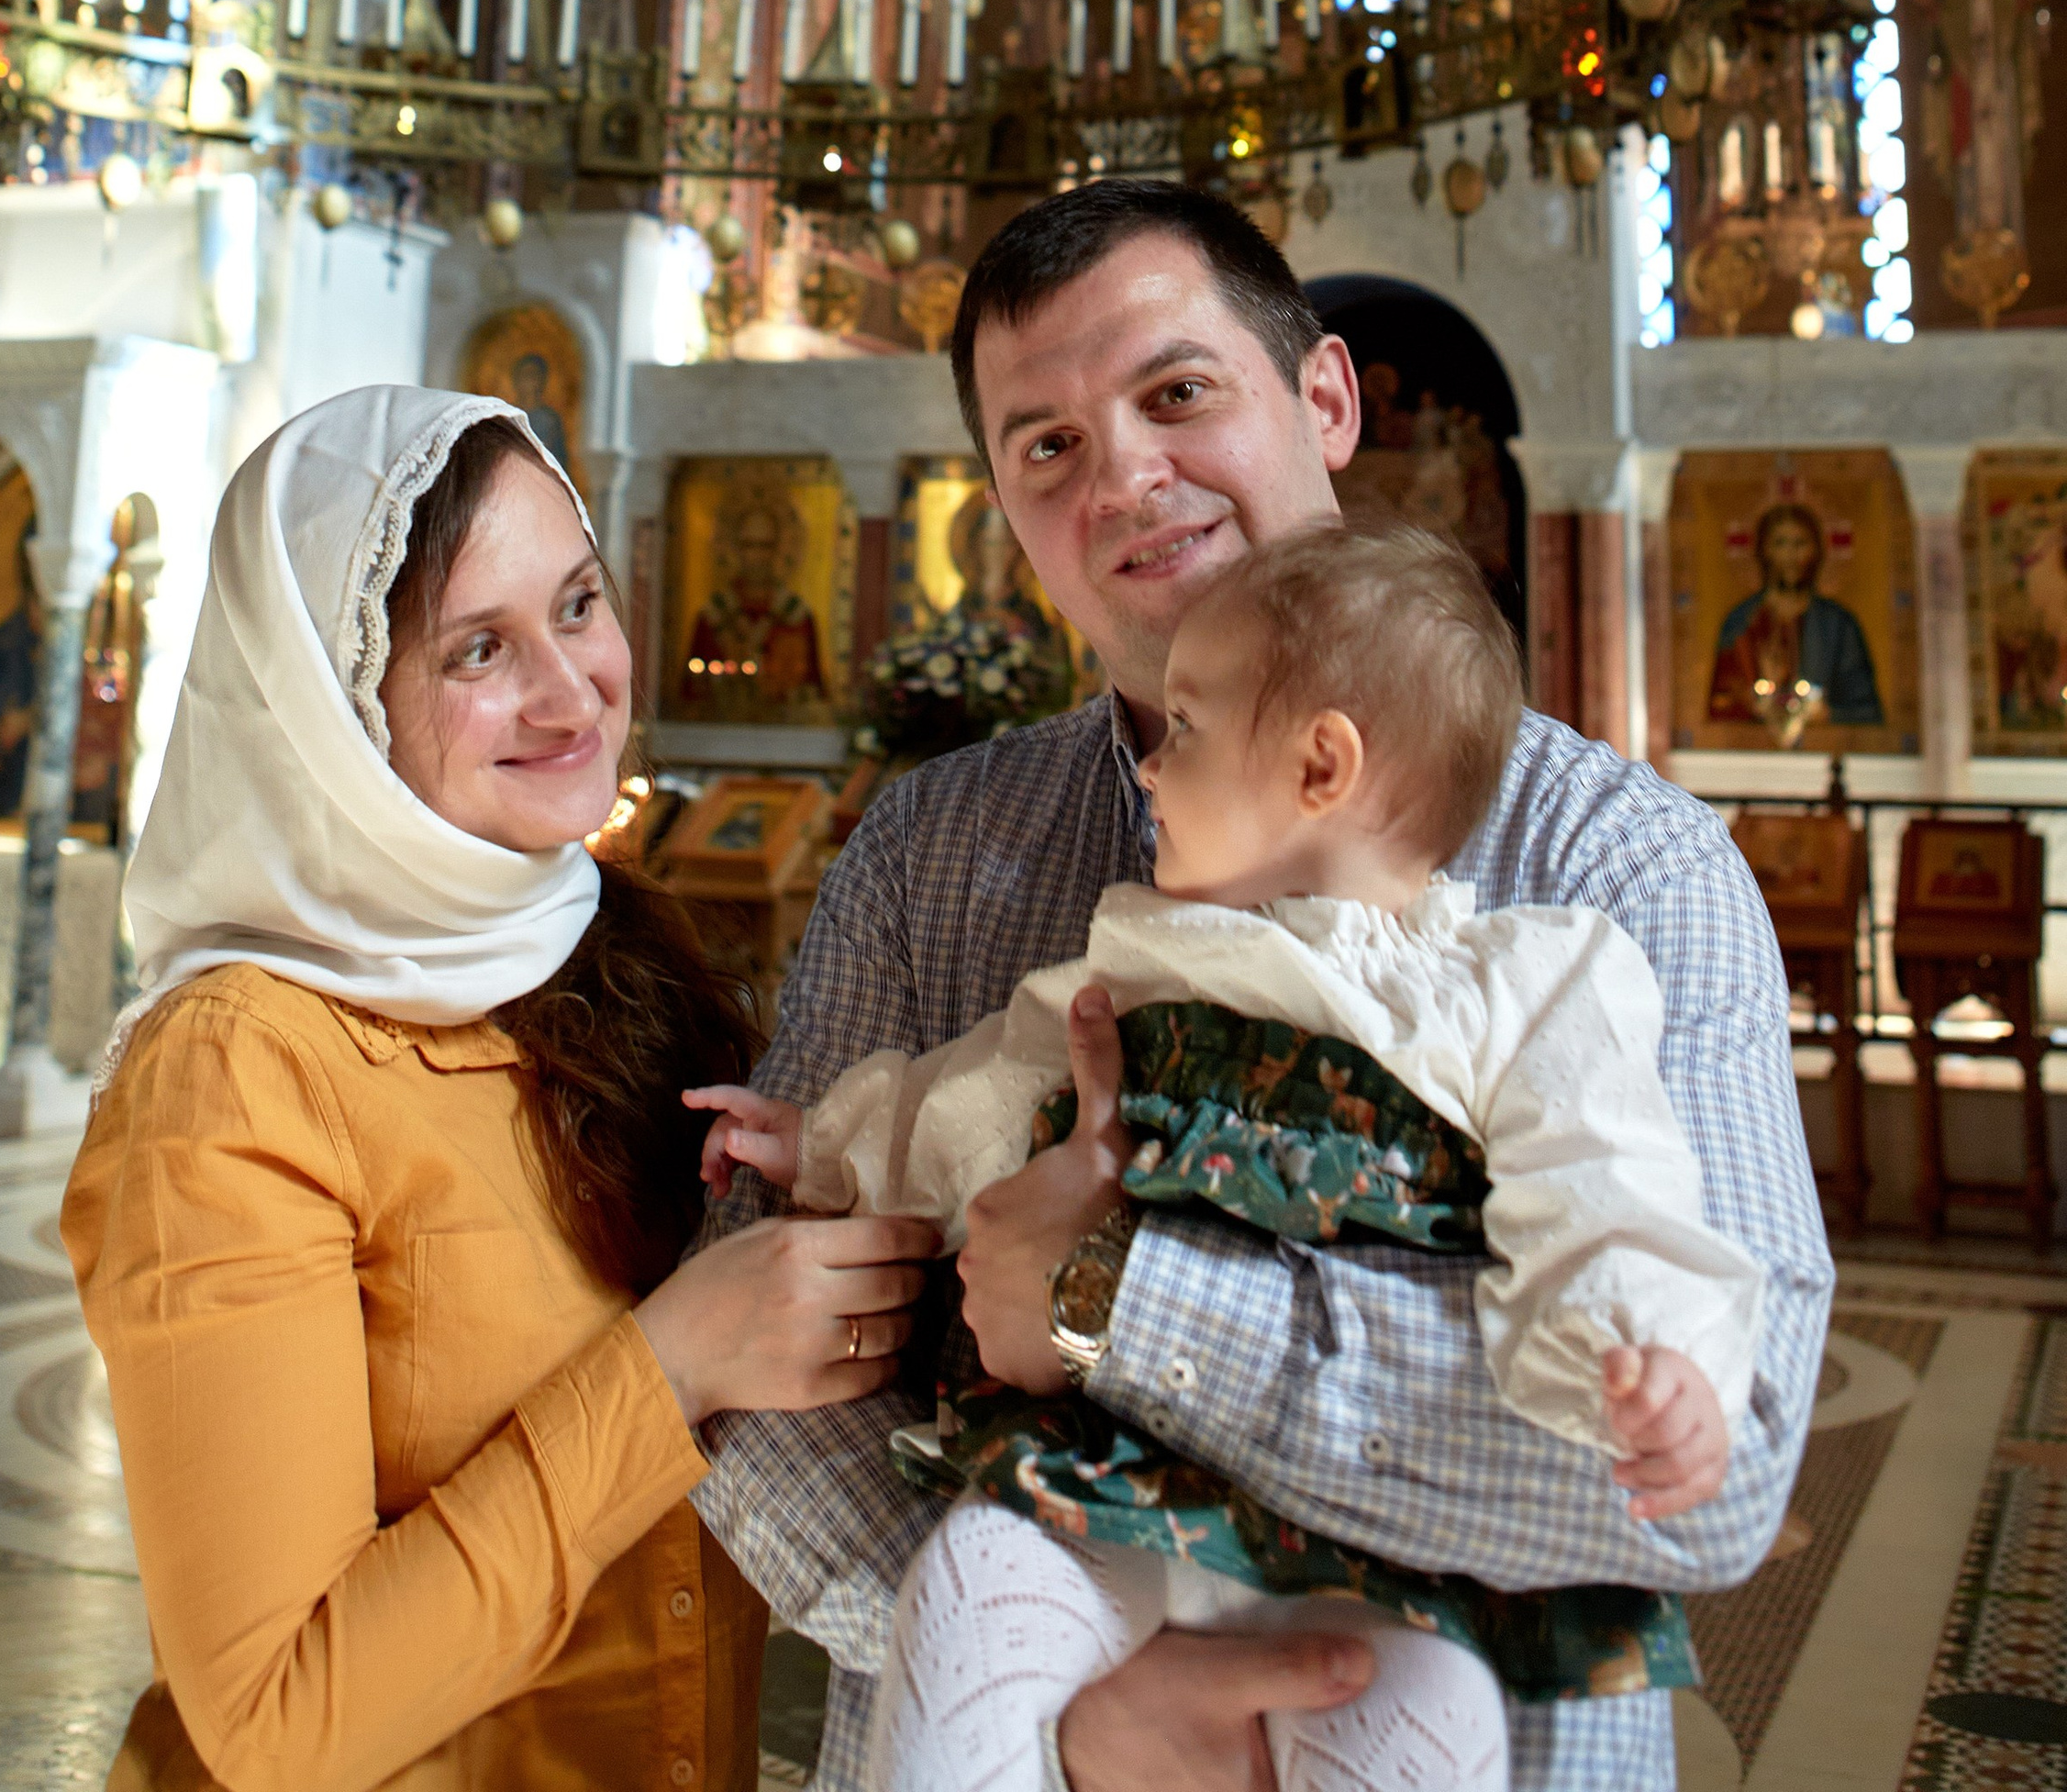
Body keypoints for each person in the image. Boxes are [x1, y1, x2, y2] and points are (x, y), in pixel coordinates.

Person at [691, 179, 1830, 1792]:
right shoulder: (928, 852)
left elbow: (1710, 1474)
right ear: (1007, 513)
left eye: (1176, 394)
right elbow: (773, 1377)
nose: (1128, 479)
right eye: (1048, 447)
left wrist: (1112, 1301)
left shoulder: (1618, 878)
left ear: (1325, 398)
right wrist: (1076, 1702)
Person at [64, 385, 936, 1789]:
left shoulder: (609, 944)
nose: (570, 685)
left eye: (580, 603)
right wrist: (670, 1365)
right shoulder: (239, 1069)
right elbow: (282, 1721)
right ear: (328, 708)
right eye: (479, 647)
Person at [1705, 504, 1884, 730]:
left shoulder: (1838, 625)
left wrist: (1826, 713)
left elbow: (1865, 707)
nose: (1791, 555)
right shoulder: (1741, 622)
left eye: (1800, 543)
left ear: (1816, 550)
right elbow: (1720, 705)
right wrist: (1751, 704)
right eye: (1780, 543)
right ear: (1764, 551)